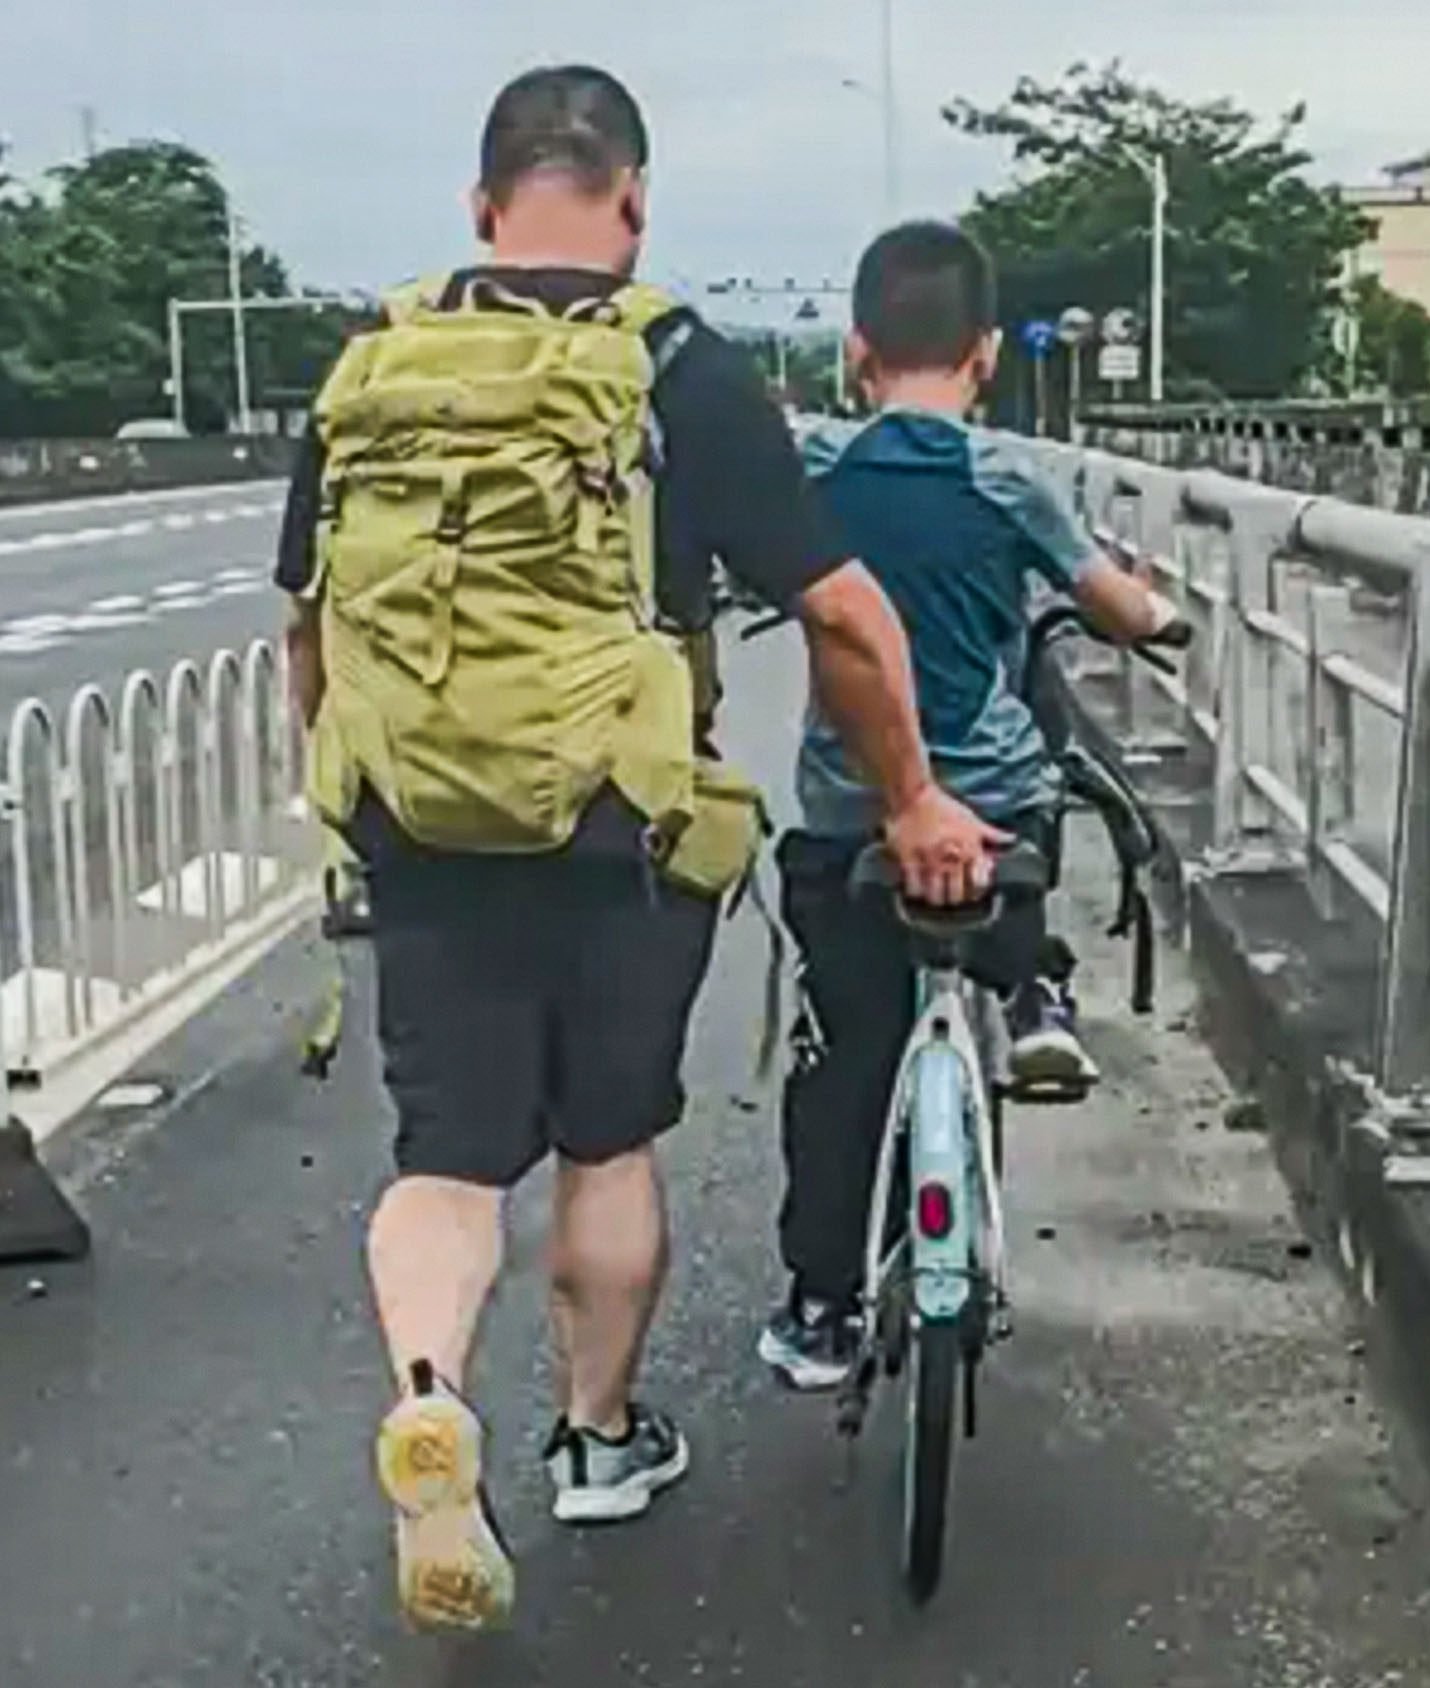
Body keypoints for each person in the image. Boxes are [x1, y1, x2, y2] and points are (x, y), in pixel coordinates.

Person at [278, 66, 996, 1633]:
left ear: (483, 203)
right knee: (608, 1143)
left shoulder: (373, 360)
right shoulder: (675, 363)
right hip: (620, 826)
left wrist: (346, 795)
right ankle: (598, 1438)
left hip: (420, 825)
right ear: (636, 201)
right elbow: (847, 618)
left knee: (445, 1157)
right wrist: (916, 798)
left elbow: (310, 625)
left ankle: (428, 1395)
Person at [757, 220, 1177, 1391]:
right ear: (986, 353)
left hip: (852, 814)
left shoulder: (820, 481)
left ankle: (822, 1308)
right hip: (990, 805)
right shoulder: (1008, 478)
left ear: (856, 352)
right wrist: (1159, 615)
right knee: (1022, 803)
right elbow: (1113, 605)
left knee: (843, 1057)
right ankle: (1035, 983)